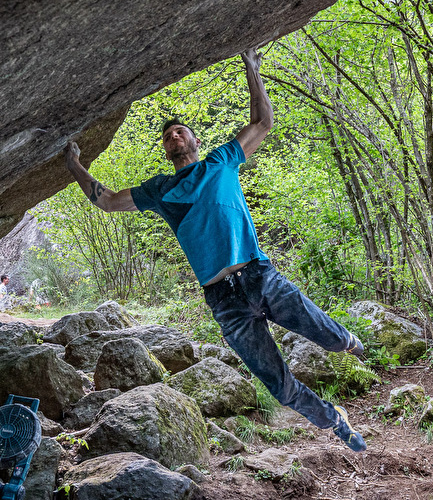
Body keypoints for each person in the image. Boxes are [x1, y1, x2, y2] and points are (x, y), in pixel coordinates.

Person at [64, 46, 368, 451]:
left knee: (332, 340)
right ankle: (333, 421)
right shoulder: (160, 189)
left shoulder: (221, 160)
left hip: (260, 277)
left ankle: (347, 340)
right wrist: (73, 165)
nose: (174, 136)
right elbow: (106, 200)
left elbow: (263, 122)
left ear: (195, 140)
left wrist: (252, 68)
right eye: (168, 136)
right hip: (224, 301)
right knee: (277, 384)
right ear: (167, 150)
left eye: (180, 131)